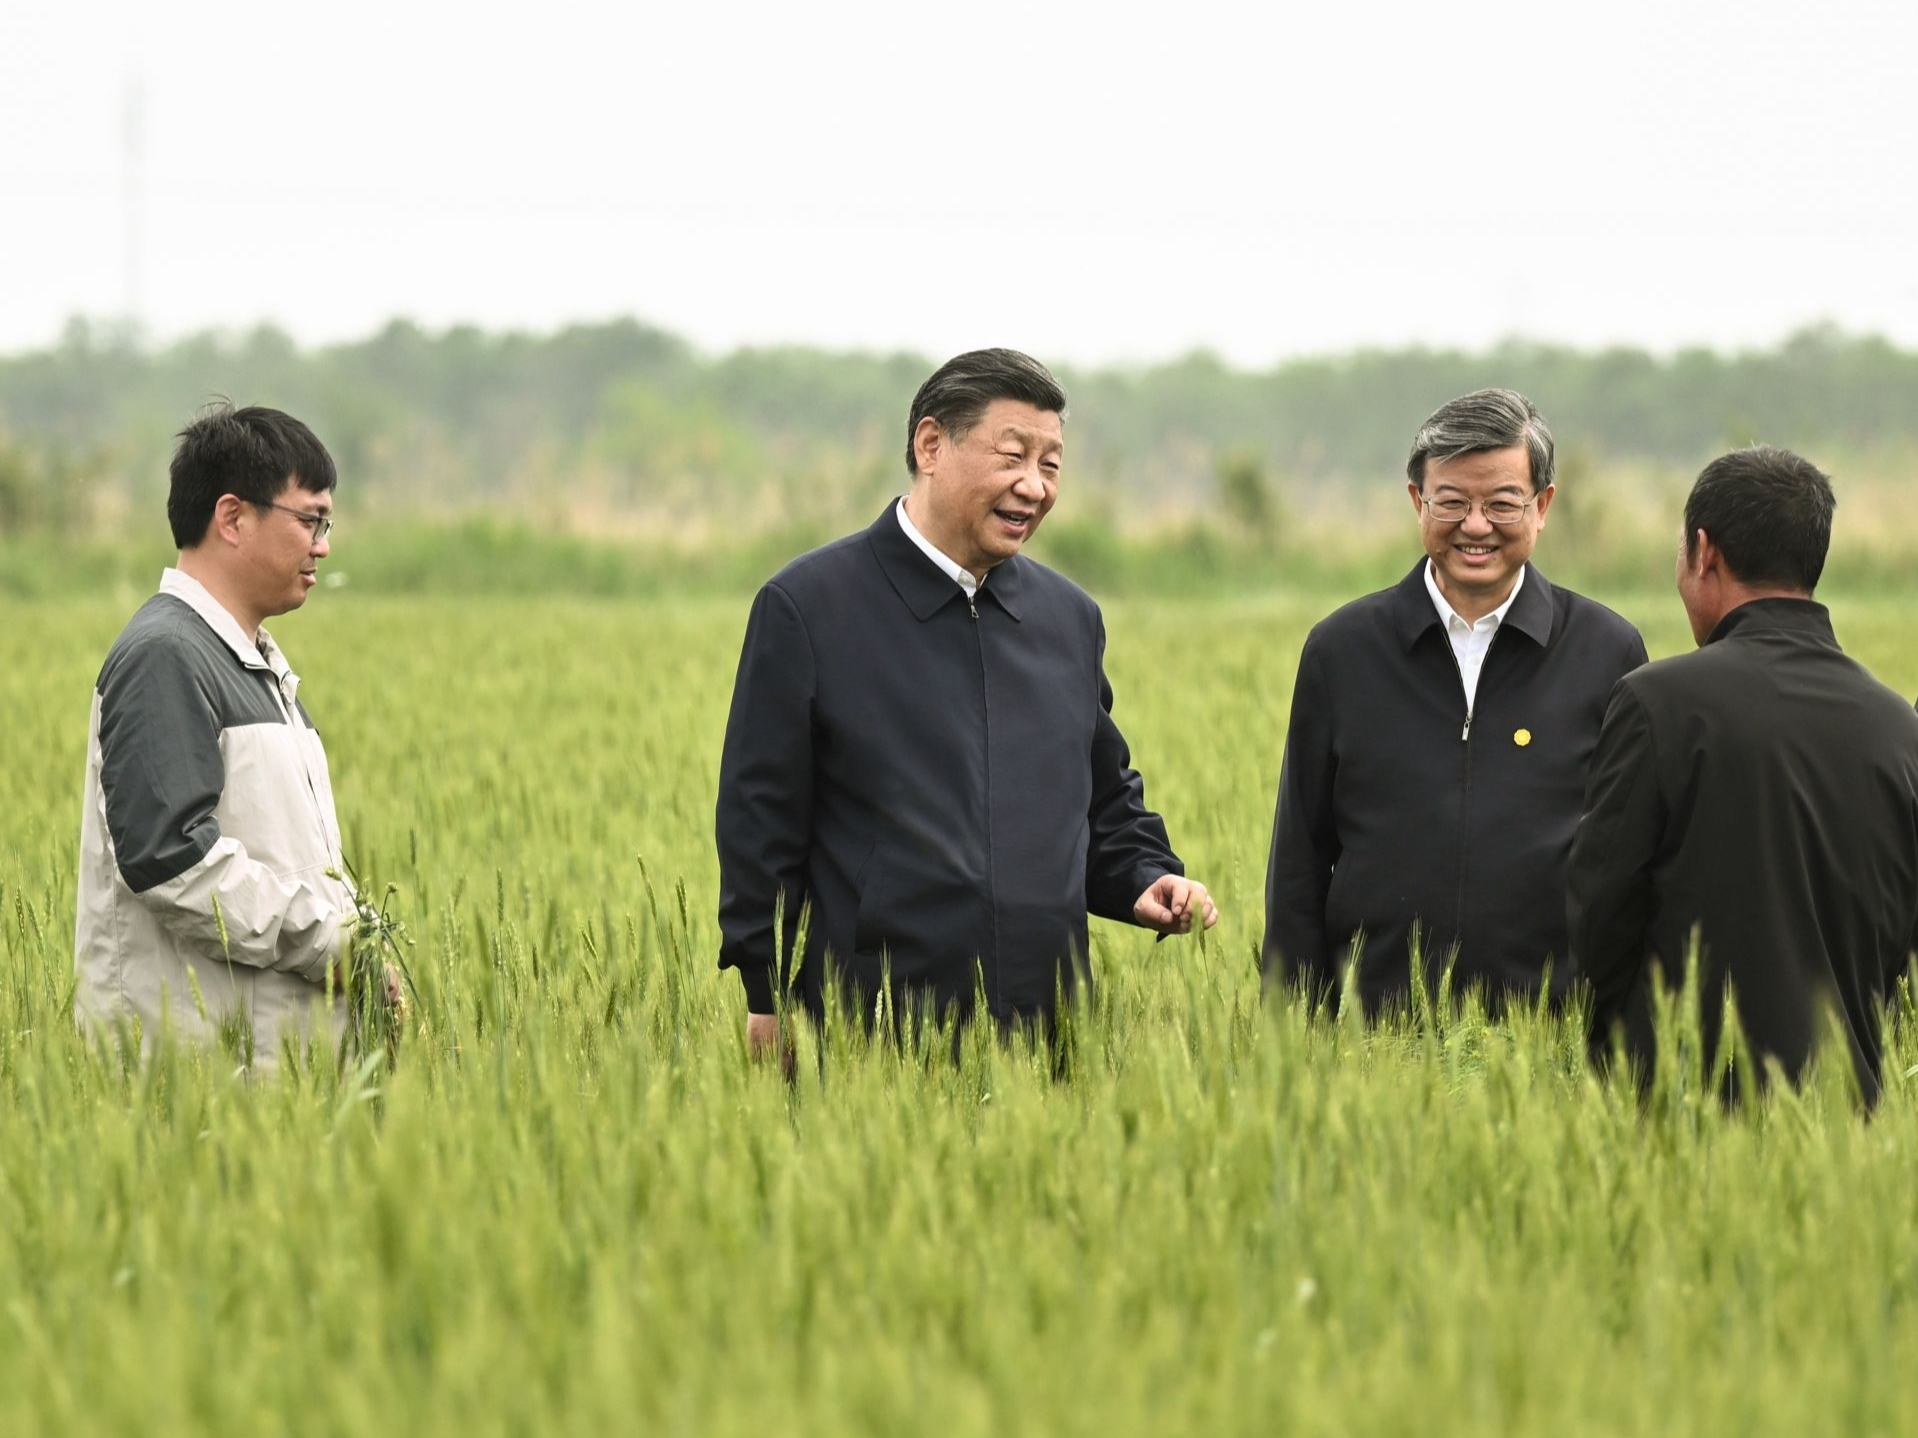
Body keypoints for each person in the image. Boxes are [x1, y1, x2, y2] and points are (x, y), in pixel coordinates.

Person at [716, 348, 1216, 1053]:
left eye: (1051, 464)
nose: (1035, 487)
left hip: (1046, 1034)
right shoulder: (810, 608)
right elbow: (760, 819)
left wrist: (1145, 875)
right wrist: (766, 996)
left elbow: (1101, 799)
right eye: (1013, 455)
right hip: (870, 1032)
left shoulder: (1068, 619)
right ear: (931, 445)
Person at [1262, 388, 1646, 1014]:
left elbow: (1630, 866)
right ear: (1418, 500)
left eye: (1502, 503)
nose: (1475, 526)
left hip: (1548, 1036)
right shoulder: (1343, 650)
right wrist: (1291, 1035)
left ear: (1542, 505)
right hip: (1377, 1037)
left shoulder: (1606, 651)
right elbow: (1300, 861)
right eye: (1451, 501)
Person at [1569, 447, 1918, 1104]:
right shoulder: (1898, 726)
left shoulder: (1656, 705)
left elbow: (1601, 915)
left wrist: (1620, 1053)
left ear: (1704, 552)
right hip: (1846, 1119)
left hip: (1679, 1107)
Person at [74, 403, 393, 1070]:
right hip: (202, 1083)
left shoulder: (253, 664)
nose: (324, 545)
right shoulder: (167, 655)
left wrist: (363, 952)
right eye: (311, 519)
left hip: (272, 1076)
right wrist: (333, 943)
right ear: (233, 517)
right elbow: (170, 860)